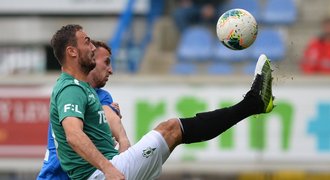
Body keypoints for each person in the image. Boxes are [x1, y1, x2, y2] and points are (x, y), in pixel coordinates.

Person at [49, 24, 274, 180]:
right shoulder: (71, 88)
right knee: (172, 129)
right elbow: (74, 135)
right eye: (87, 42)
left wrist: (122, 145)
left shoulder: (87, 91)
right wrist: (109, 167)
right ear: (72, 52)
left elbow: (107, 116)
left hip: (106, 170)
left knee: (173, 130)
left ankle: (253, 103)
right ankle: (253, 103)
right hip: (98, 174)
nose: (91, 48)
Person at [37, 40, 130, 180]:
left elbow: (110, 121)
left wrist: (122, 141)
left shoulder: (103, 96)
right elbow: (106, 118)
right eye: (106, 62)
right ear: (91, 59)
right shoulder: (69, 90)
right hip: (56, 176)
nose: (110, 70)